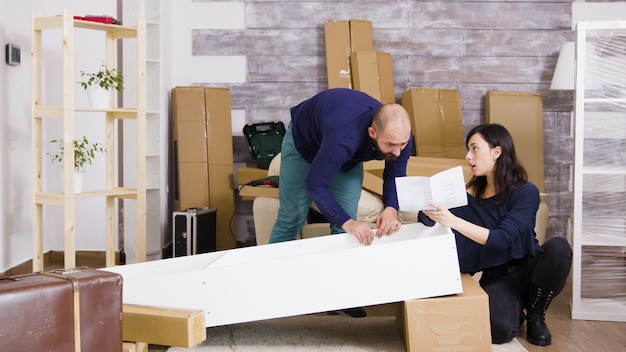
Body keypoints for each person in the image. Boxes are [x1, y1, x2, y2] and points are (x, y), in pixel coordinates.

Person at [418, 123, 572, 346]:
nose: (468, 155)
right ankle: (517, 307)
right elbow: (428, 222)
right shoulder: (466, 193)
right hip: (498, 276)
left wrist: (454, 220)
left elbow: (502, 240)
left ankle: (536, 313)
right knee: (498, 331)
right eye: (468, 149)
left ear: (496, 152)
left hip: (528, 267)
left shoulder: (525, 192)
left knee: (558, 248)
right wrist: (431, 208)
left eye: (474, 148)